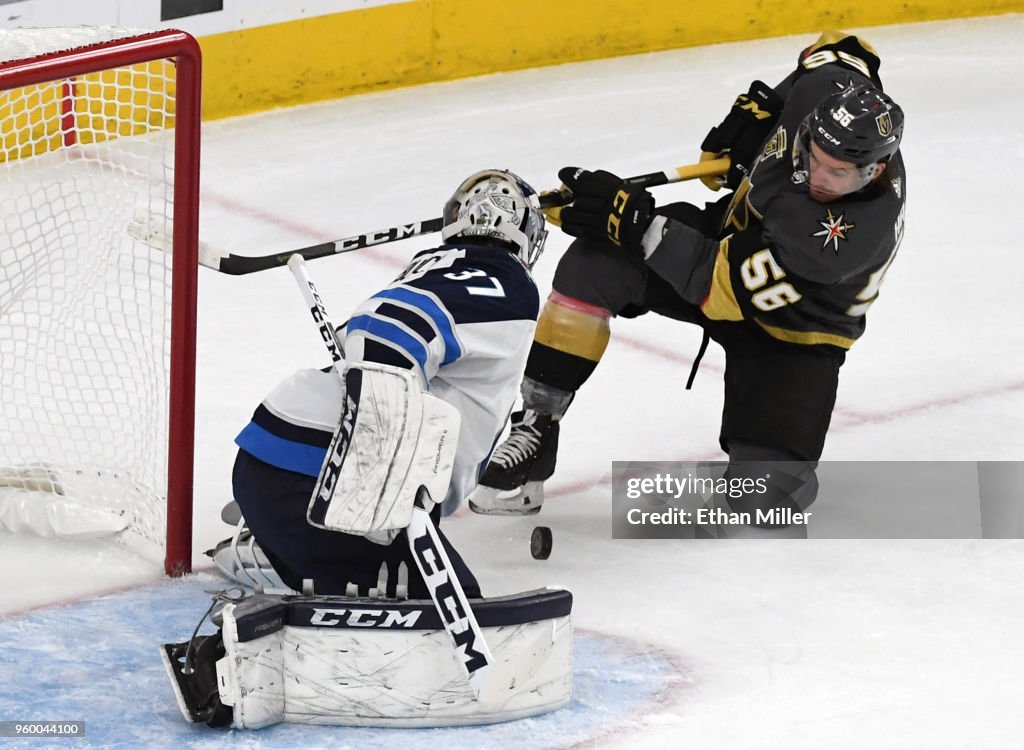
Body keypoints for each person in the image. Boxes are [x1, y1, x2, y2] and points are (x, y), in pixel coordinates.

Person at [469, 31, 907, 531]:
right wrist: (764, 106)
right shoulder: (827, 96)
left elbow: (717, 290)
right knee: (597, 262)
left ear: (876, 170)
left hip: (795, 330)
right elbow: (842, 50)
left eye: (840, 173)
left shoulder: (846, 240)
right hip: (729, 242)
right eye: (814, 157)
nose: (819, 177)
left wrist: (633, 220)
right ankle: (536, 428)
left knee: (766, 504)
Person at [214, 168, 547, 597]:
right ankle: (289, 568)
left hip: (274, 465)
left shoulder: (432, 269)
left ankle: (282, 555)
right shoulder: (505, 280)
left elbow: (364, 337)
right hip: (322, 487)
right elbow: (388, 328)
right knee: (450, 616)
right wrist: (374, 480)